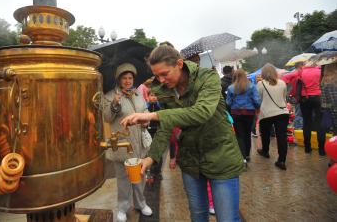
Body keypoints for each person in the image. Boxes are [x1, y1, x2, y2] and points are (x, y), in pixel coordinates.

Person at [120, 45, 244, 222]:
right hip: (190, 159)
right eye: (156, 76)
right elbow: (167, 125)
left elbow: (202, 112)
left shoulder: (207, 77)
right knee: (198, 215)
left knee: (227, 218)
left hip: (221, 156)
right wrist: (150, 157)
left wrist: (152, 115)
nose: (161, 80)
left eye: (165, 74)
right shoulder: (164, 90)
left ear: (179, 63)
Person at [102, 63, 152, 222]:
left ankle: (140, 203)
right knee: (123, 180)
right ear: (119, 79)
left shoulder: (137, 94)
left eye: (130, 78)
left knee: (140, 177)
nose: (128, 81)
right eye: (124, 78)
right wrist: (115, 104)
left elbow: (145, 111)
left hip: (139, 145)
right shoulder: (110, 95)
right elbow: (107, 118)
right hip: (123, 145)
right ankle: (122, 208)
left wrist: (146, 120)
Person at [283, 63, 323, 154]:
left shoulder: (301, 72)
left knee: (306, 123)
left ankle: (307, 148)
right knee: (319, 123)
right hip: (318, 98)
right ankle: (321, 150)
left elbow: (285, 78)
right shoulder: (320, 71)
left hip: (305, 99)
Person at [256, 64, 290, 170]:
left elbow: (258, 99)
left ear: (263, 73)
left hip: (266, 113)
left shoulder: (260, 84)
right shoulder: (282, 83)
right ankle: (282, 160)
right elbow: (284, 98)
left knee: (265, 134)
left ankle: (265, 151)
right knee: (282, 137)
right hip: (282, 112)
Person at [226, 69, 261, 165]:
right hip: (249, 113)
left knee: (239, 135)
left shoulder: (230, 88)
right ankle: (248, 155)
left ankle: (243, 158)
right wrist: (256, 108)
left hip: (236, 113)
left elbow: (228, 103)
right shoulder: (251, 86)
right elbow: (257, 101)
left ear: (234, 77)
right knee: (247, 134)